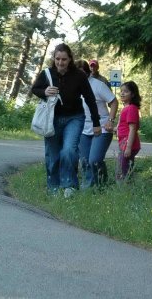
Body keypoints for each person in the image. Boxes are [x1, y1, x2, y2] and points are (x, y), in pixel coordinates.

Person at [31, 44, 100, 197]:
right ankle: (53, 188)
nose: (60, 62)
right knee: (53, 155)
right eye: (57, 59)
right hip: (52, 119)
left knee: (68, 150)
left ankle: (69, 185)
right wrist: (44, 91)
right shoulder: (47, 73)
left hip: (74, 118)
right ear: (53, 58)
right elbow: (34, 89)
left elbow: (90, 99)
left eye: (64, 59)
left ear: (70, 59)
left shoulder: (79, 75)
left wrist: (96, 123)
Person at [76, 59, 118, 188]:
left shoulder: (98, 85)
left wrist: (110, 121)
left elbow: (114, 102)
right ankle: (89, 188)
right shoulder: (73, 87)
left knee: (94, 159)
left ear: (88, 73)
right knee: (84, 161)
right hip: (83, 128)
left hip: (102, 126)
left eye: (82, 73)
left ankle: (102, 185)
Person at [117, 81, 142, 180]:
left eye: (126, 91)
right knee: (125, 167)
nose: (122, 93)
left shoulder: (131, 108)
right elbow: (124, 126)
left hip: (129, 144)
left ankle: (125, 186)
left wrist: (128, 147)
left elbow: (133, 129)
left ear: (133, 94)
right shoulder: (126, 108)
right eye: (121, 91)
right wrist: (114, 129)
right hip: (124, 143)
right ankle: (127, 184)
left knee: (123, 168)